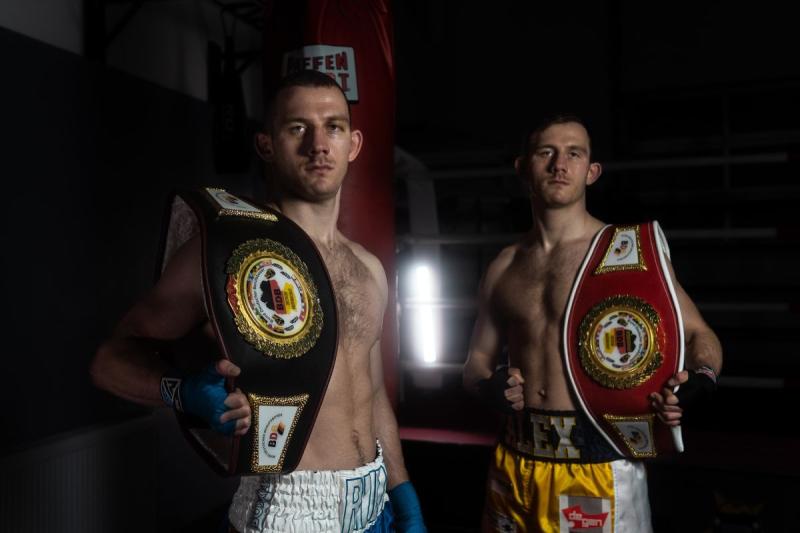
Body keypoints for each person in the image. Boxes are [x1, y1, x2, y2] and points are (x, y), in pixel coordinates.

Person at [91, 69, 426, 533]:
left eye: (333, 126)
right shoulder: (227, 250)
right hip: (289, 511)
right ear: (266, 144)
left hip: (374, 509)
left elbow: (372, 393)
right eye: (297, 128)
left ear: (354, 144)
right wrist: (183, 391)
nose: (318, 145)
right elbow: (109, 361)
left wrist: (402, 491)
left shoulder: (368, 267)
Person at [462, 114, 722, 532]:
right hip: (516, 464)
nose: (559, 164)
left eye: (574, 154)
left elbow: (699, 334)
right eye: (546, 152)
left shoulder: (626, 255)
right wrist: (485, 385)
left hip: (599, 463)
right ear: (523, 167)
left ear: (591, 171)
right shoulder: (504, 266)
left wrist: (702, 377)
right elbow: (475, 359)